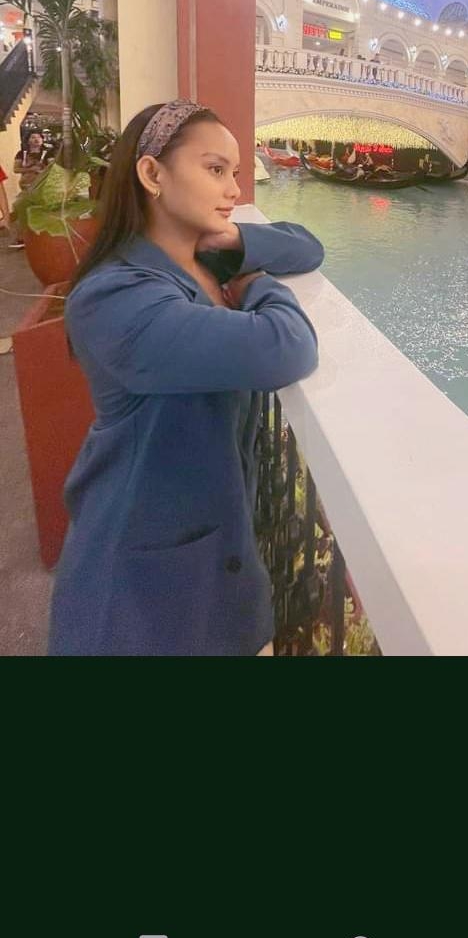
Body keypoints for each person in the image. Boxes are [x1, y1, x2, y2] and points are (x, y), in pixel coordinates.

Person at [47, 99, 323, 658]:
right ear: (152, 174)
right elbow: (287, 347)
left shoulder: (200, 262)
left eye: (235, 173)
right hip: (137, 596)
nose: (233, 191)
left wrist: (237, 244)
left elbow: (308, 245)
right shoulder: (114, 297)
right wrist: (257, 284)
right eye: (215, 169)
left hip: (217, 574)